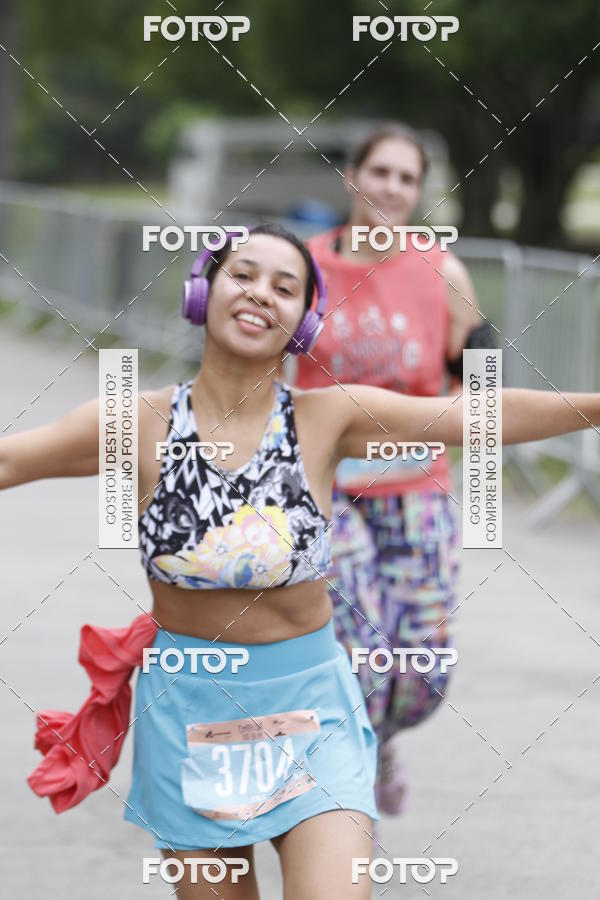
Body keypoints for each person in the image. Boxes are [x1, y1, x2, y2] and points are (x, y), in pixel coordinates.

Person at [1, 223, 599, 899]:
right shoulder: (134, 422)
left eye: (286, 288)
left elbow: (478, 417)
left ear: (304, 322)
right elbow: (9, 458)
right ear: (203, 290)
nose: (261, 295)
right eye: (244, 275)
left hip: (313, 713)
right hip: (189, 716)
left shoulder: (326, 419)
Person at [294, 122, 494, 815]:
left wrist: (464, 414)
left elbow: (480, 370)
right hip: (328, 491)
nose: (392, 188)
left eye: (408, 179)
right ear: (353, 176)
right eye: (381, 172)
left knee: (421, 673)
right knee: (357, 647)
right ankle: (345, 804)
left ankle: (378, 742)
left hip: (417, 492)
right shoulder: (305, 265)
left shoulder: (443, 273)